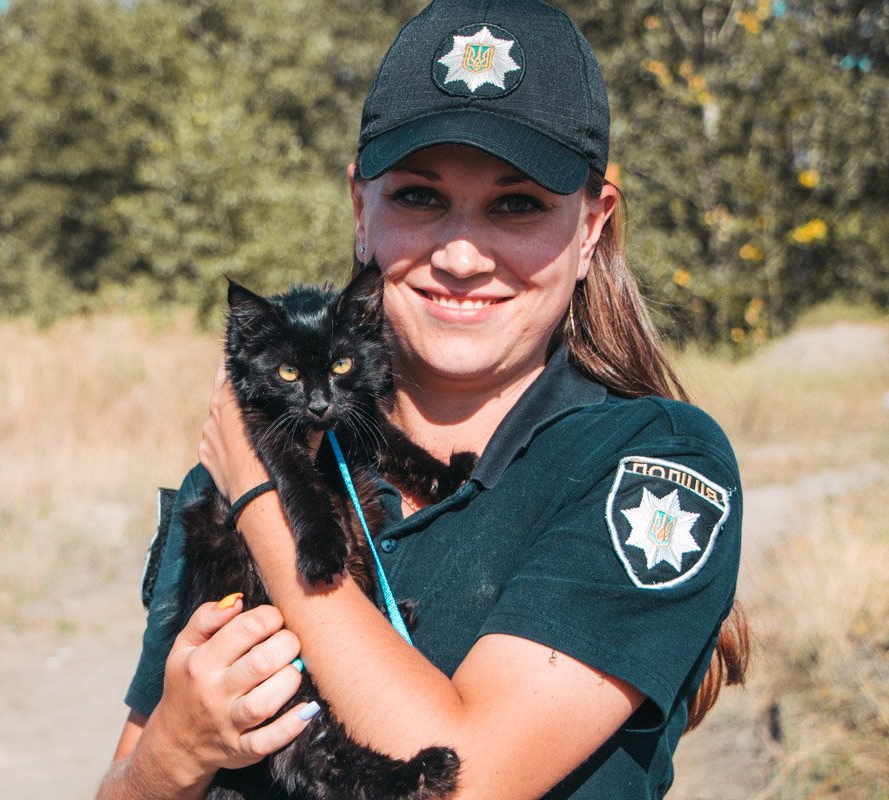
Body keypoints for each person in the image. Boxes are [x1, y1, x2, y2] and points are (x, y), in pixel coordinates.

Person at [98, 0, 749, 797]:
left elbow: (463, 784)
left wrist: (266, 496)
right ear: (359, 211)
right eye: (418, 197)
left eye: (517, 204)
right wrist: (171, 754)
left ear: (592, 227)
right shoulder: (269, 440)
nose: (463, 254)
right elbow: (124, 777)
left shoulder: (650, 465)